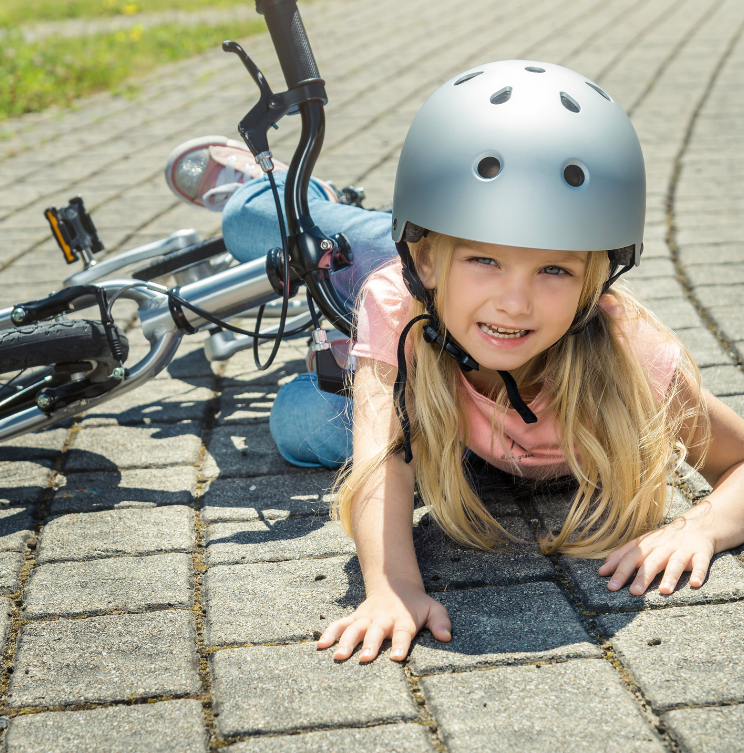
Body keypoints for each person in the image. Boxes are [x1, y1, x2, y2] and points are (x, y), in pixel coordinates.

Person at [164, 60, 744, 664]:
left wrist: (700, 526)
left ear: (594, 281)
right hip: (394, 277)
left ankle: (360, 340)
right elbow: (382, 463)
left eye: (554, 269)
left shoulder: (631, 359)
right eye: (485, 260)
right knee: (258, 224)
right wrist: (391, 589)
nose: (514, 302)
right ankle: (283, 192)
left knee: (298, 423)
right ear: (431, 258)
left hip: (455, 403)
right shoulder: (402, 292)